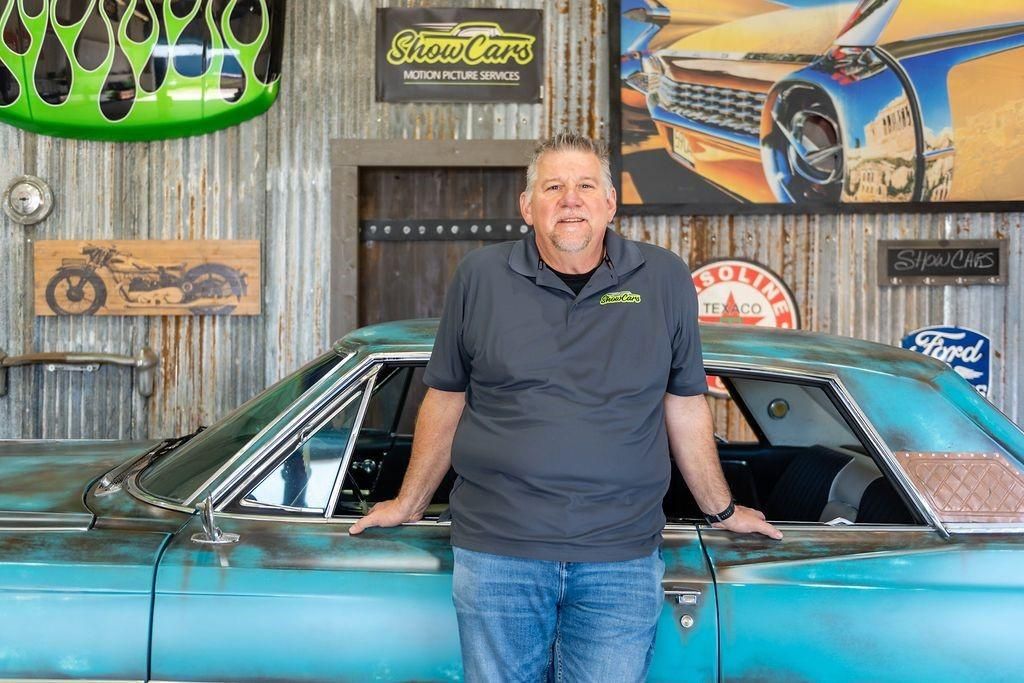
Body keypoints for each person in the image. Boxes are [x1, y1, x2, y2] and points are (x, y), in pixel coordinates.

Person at [349, 131, 782, 682]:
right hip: (497, 550)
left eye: (584, 185)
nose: (570, 199)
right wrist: (410, 502)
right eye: (553, 186)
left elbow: (684, 402)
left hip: (619, 555)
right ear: (527, 207)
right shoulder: (480, 277)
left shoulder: (663, 277)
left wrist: (722, 510)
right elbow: (447, 395)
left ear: (610, 202)